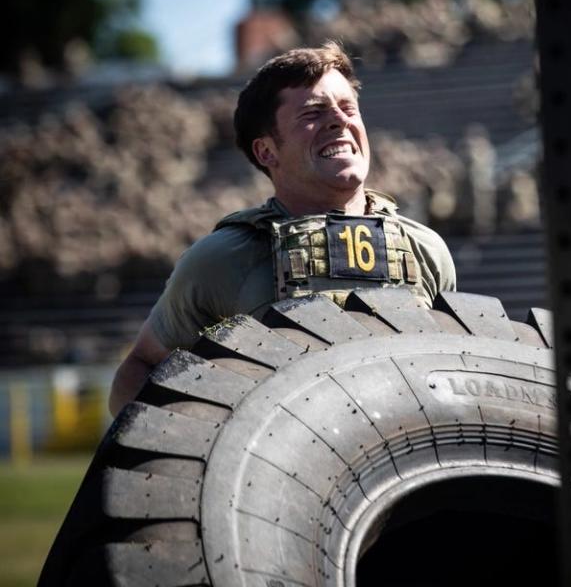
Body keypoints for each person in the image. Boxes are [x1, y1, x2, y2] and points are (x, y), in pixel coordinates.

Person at [108, 42, 457, 416]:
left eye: (347, 108)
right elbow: (139, 370)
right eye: (313, 113)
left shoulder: (424, 249)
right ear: (266, 152)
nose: (339, 120)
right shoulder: (223, 259)